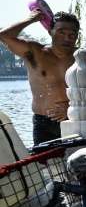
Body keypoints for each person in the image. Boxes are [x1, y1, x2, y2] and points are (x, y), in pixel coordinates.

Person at [0, 10, 80, 145]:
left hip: (75, 118)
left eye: (72, 34)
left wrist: (70, 107)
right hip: (44, 123)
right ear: (50, 32)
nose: (67, 38)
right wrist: (31, 19)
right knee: (44, 165)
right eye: (61, 32)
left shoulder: (81, 57)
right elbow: (4, 36)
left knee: (79, 163)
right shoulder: (35, 51)